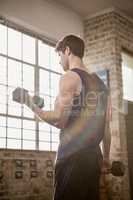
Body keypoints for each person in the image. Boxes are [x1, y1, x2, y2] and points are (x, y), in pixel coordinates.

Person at [13, 35, 111, 200]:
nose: (59, 61)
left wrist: (29, 102)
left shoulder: (70, 77)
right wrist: (106, 159)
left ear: (67, 51)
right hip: (94, 159)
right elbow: (107, 128)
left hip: (72, 158)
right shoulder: (102, 85)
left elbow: (59, 119)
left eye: (59, 55)